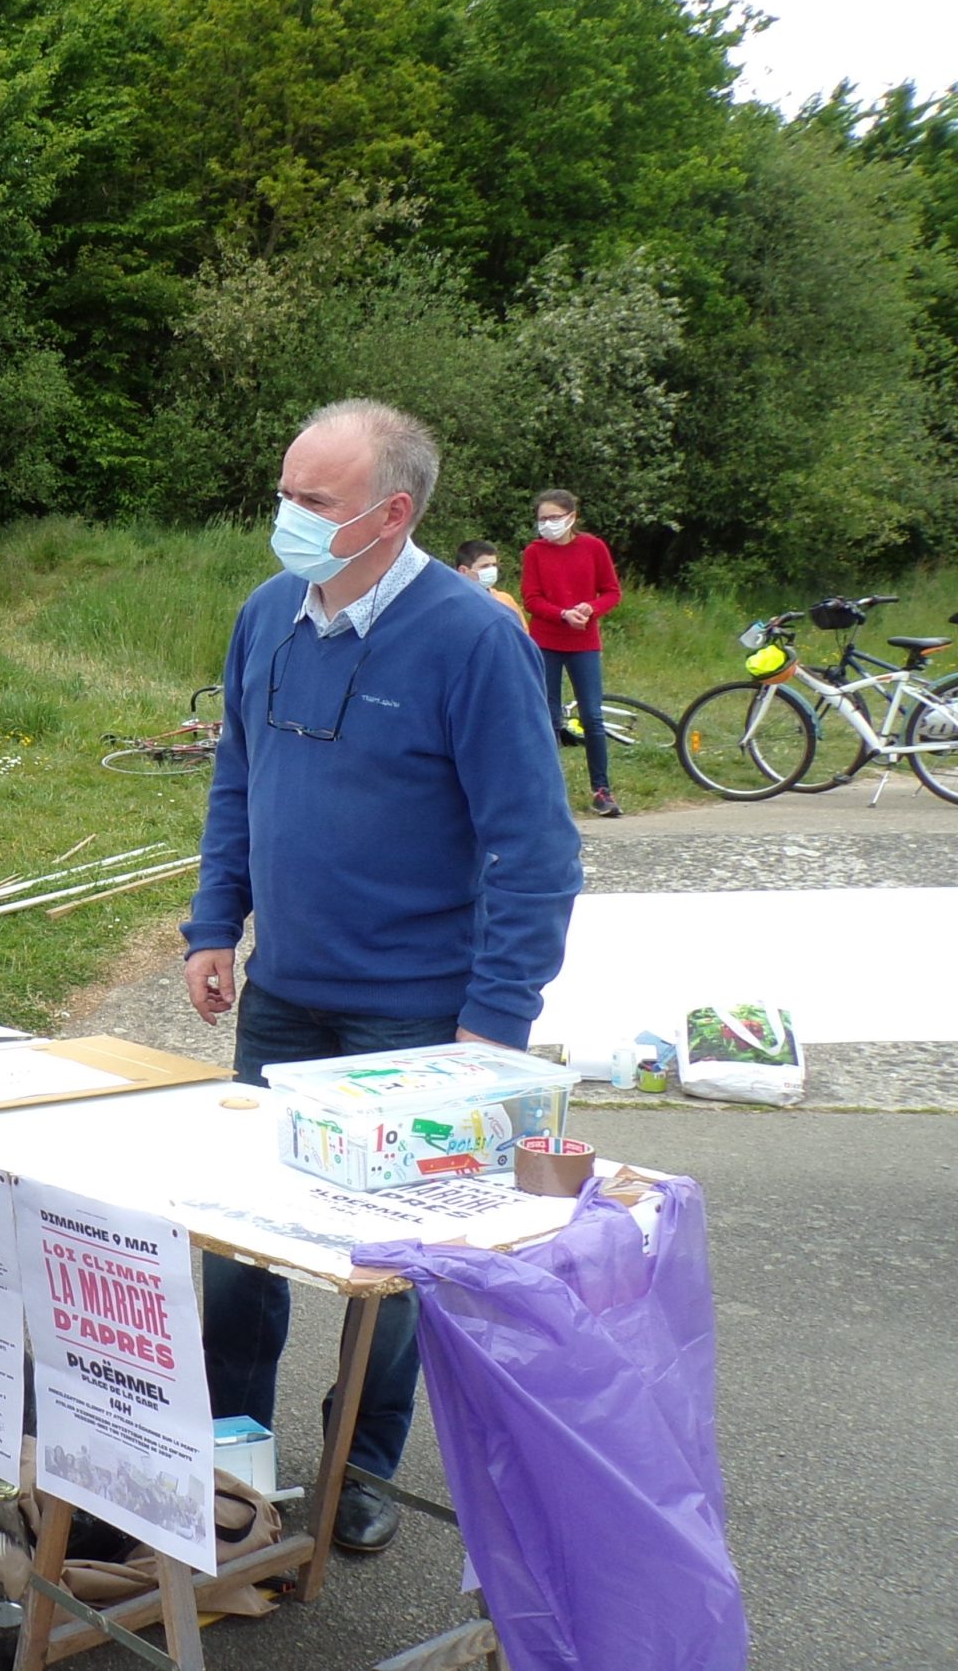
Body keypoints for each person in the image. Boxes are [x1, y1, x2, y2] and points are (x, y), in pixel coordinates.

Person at [181, 399, 582, 1556]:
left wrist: (492, 1025)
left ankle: (359, 1463)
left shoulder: (473, 639)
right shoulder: (267, 615)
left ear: (391, 512)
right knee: (242, 1240)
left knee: (390, 1264)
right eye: (284, 493)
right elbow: (239, 782)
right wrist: (215, 922)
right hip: (285, 996)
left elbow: (534, 850)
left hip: (418, 1016)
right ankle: (230, 1455)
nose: (286, 517)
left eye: (313, 502)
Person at [519, 489, 625, 817]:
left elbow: (611, 592)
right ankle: (550, 791)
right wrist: (562, 614)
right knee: (548, 717)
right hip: (545, 641)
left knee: (592, 716)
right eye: (542, 519)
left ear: (571, 517)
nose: (547, 524)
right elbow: (531, 599)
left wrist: (590, 609)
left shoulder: (593, 547)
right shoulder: (534, 552)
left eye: (554, 517)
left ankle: (601, 790)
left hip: (584, 643)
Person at [451, 541, 528, 631]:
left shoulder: (505, 599)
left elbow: (523, 633)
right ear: (463, 571)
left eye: (494, 565)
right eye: (485, 566)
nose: (492, 570)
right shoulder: (454, 603)